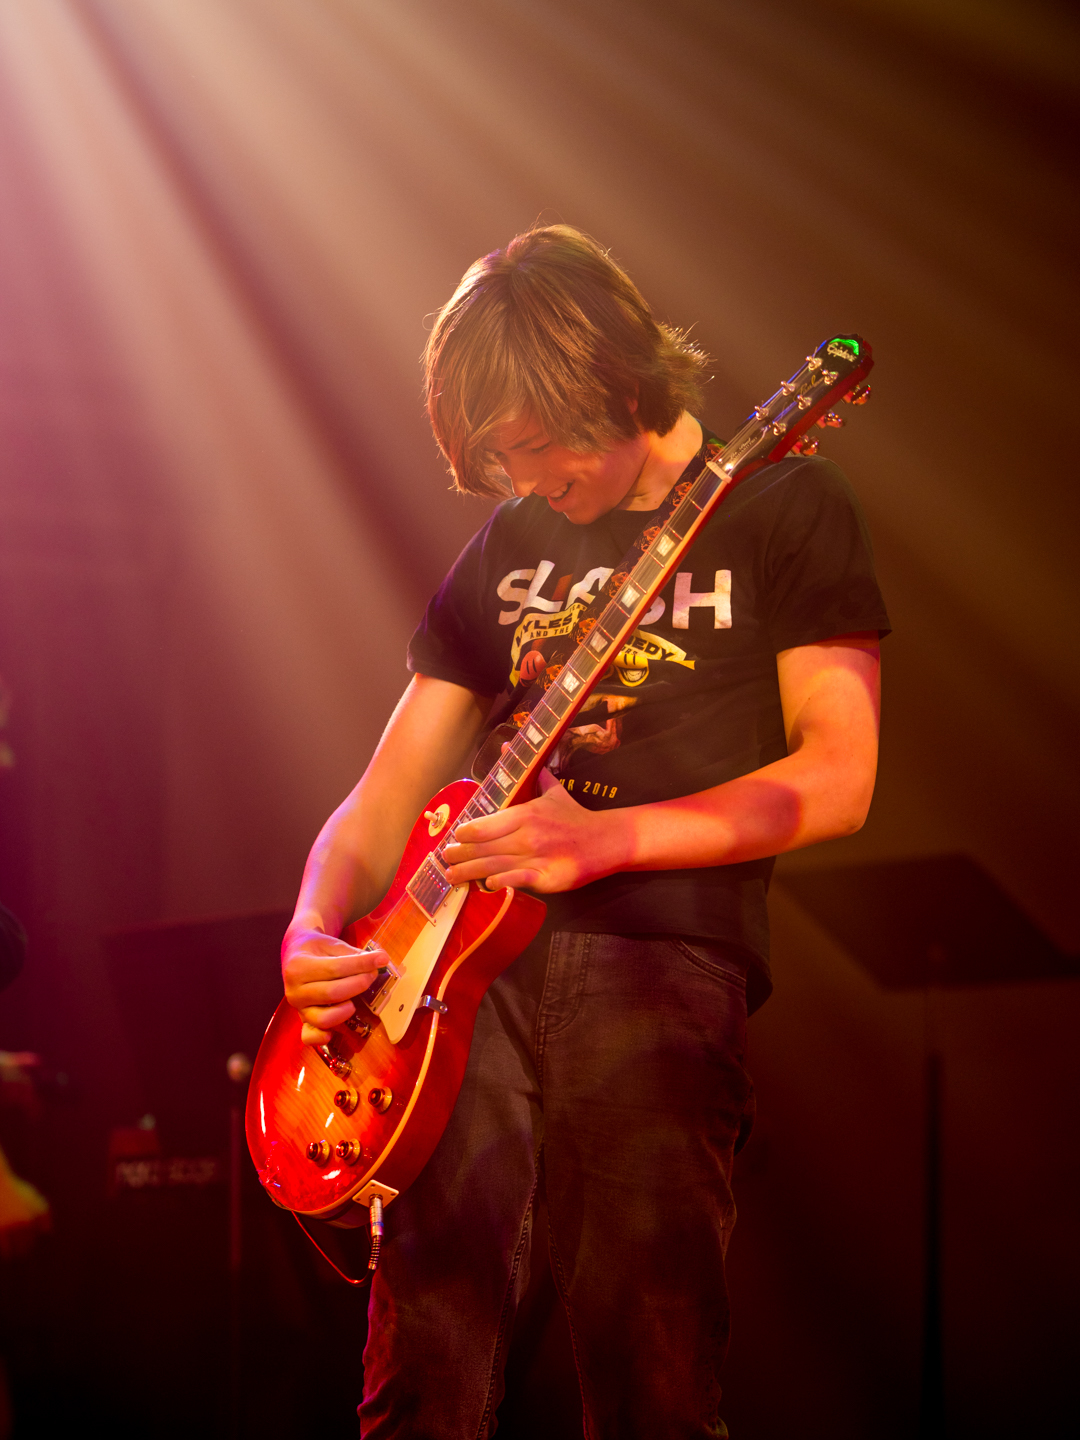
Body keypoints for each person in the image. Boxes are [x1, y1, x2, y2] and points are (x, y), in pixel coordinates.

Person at [281, 225, 888, 1438]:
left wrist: (610, 841)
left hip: (658, 957)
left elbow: (839, 776)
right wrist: (310, 925)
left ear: (617, 384)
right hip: (451, 981)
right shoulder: (513, 541)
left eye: (537, 444)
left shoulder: (786, 507)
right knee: (420, 1366)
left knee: (648, 1369)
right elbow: (384, 794)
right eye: (499, 456)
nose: (522, 477)